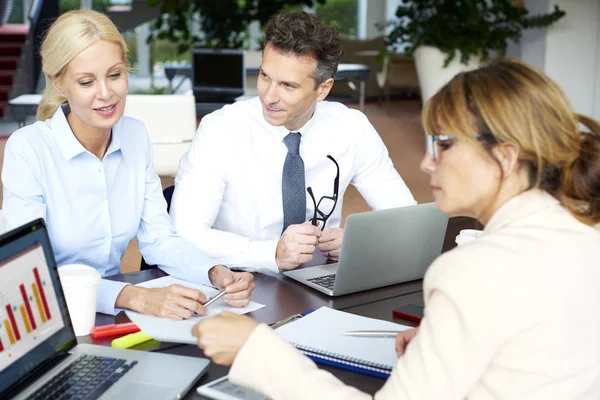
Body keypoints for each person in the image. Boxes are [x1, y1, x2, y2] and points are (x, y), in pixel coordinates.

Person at [191, 58, 600, 399]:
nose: (426, 164)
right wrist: (439, 344)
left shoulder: (474, 271)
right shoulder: (584, 234)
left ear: (506, 157)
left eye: (443, 144)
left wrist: (256, 352)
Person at [1, 10, 255, 317]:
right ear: (58, 83)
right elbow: (33, 270)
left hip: (113, 315)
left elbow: (159, 239)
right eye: (86, 82)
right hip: (53, 318)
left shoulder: (134, 136)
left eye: (115, 75)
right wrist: (131, 296)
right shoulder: (28, 149)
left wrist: (215, 272)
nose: (106, 94)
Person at [170, 11, 416, 273]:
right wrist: (272, 253)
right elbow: (184, 233)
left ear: (323, 89)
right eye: (265, 77)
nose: (269, 97)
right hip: (241, 278)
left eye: (288, 85)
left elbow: (406, 217)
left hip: (318, 278)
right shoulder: (220, 129)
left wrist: (361, 243)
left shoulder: (352, 129)